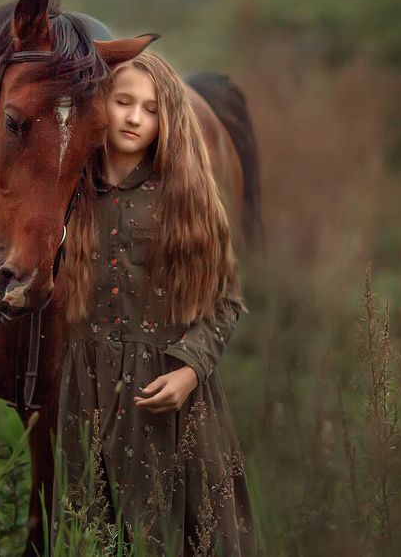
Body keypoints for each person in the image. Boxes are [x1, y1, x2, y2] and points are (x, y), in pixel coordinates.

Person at [52, 51, 257, 555]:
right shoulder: (69, 190)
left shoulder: (186, 195)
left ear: (168, 118)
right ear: (101, 104)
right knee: (90, 534)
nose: (135, 117)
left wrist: (189, 371)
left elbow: (225, 301)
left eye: (151, 107)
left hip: (167, 393)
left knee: (167, 536)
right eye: (123, 101)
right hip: (86, 391)